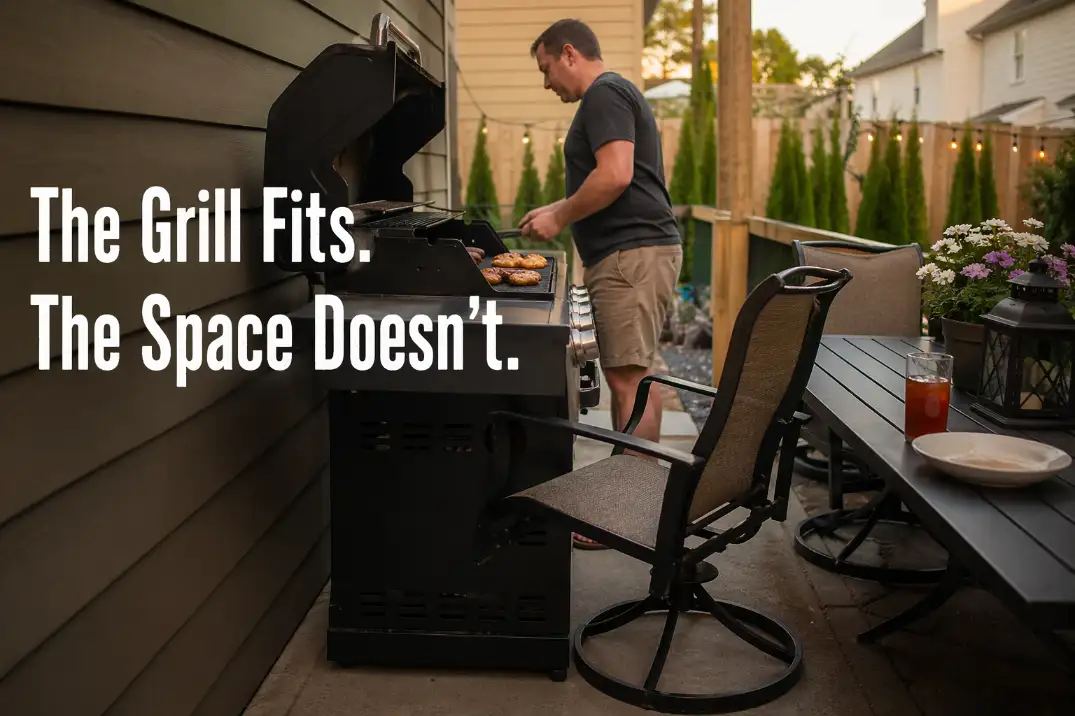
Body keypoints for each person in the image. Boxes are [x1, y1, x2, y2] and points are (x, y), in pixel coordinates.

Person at [519, 19, 683, 550]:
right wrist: (557, 207)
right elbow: (613, 176)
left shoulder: (604, 94)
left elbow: (615, 174)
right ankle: (632, 508)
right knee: (636, 382)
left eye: (546, 70)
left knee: (628, 385)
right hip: (633, 256)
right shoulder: (612, 96)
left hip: (629, 259)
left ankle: (624, 518)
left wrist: (561, 217)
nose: (547, 84)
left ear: (569, 54)